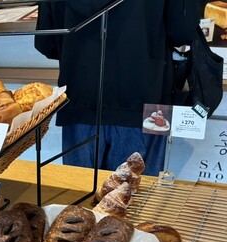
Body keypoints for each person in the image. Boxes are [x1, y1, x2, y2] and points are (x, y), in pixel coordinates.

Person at [35, 0, 200, 176]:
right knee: (139, 189)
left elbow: (46, 42)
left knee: (79, 188)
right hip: (149, 98)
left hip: (79, 97)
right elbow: (183, 32)